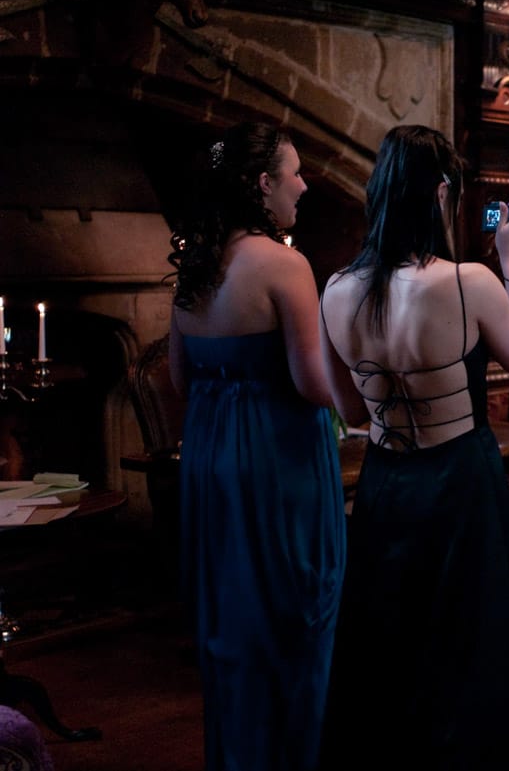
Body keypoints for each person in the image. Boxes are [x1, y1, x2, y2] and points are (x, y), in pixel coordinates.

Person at [317, 124, 509, 769]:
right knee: (474, 642)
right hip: (461, 480)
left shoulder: (335, 288)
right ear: (443, 191)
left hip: (387, 482)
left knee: (391, 639)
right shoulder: (468, 280)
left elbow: (349, 408)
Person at [167, 122, 346, 771]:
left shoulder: (194, 264)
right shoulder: (285, 265)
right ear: (263, 184)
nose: (304, 183)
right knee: (295, 622)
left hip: (211, 461)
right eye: (294, 171)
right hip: (279, 462)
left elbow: (180, 377)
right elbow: (312, 382)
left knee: (230, 634)